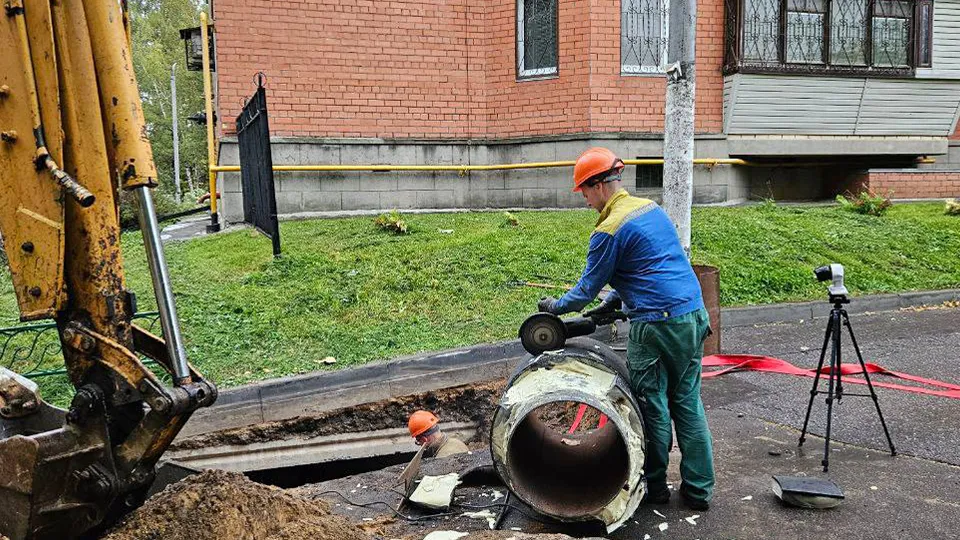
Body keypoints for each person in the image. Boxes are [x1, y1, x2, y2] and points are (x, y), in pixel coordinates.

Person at [537, 147, 715, 511]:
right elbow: (649, 264)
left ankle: (655, 487)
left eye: (584, 192)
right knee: (687, 402)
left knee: (653, 405)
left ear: (599, 185)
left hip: (656, 325)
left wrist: (555, 307)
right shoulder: (650, 209)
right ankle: (699, 491)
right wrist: (615, 300)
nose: (585, 200)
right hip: (693, 314)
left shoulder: (608, 229)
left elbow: (585, 291)